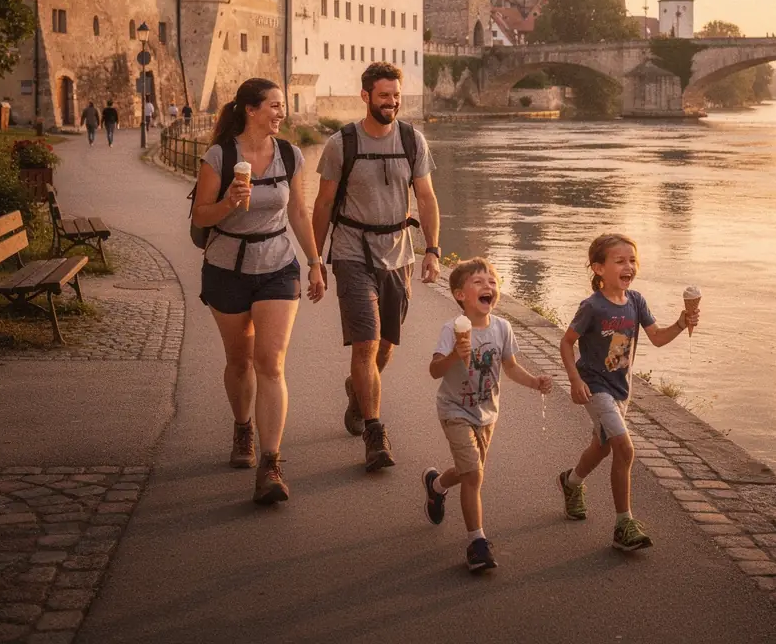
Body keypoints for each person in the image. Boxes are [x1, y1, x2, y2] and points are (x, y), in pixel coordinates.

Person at [191, 78, 326, 504]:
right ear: (250, 109)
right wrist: (230, 201)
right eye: (274, 105)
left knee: (271, 362)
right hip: (226, 268)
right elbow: (201, 214)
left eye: (282, 106)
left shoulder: (290, 153)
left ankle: (271, 463)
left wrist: (315, 262)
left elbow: (300, 212)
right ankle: (243, 428)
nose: (281, 113)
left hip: (276, 267)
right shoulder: (220, 156)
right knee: (240, 359)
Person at [311, 61, 441, 473]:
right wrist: (315, 259)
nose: (392, 103)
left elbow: (426, 198)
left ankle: (357, 390)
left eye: (397, 96)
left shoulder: (412, 140)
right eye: (384, 96)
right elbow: (323, 204)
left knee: (385, 348)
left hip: (399, 254)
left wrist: (433, 249)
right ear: (365, 96)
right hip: (352, 252)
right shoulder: (341, 144)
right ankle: (374, 432)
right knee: (366, 344)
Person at [557, 233, 700, 551]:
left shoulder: (636, 302)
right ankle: (624, 524)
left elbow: (658, 338)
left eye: (632, 260)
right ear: (598, 268)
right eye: (619, 261)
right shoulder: (592, 307)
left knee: (603, 446)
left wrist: (680, 322)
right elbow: (567, 342)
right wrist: (574, 380)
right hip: (595, 388)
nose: (629, 266)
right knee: (625, 450)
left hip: (622, 388)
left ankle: (571, 482)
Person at [422, 258, 553, 572]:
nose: (487, 287)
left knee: (469, 471)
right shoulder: (450, 329)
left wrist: (535, 382)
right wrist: (456, 353)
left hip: (487, 413)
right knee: (475, 475)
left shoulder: (502, 328)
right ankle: (477, 542)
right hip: (454, 410)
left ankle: (437, 486)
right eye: (478, 282)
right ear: (460, 295)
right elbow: (433, 370)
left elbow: (509, 367)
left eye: (492, 282)